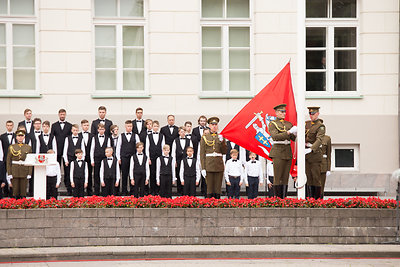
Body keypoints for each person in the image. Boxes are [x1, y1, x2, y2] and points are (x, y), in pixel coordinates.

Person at [268, 104, 297, 199]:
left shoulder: (288, 124)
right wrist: (288, 132)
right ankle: (277, 199)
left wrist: (296, 133)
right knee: (278, 177)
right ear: (276, 113)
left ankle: (284, 198)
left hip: (287, 152)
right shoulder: (273, 124)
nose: (284, 113)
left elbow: (293, 138)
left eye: (284, 111)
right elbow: (275, 137)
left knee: (285, 177)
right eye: (281, 112)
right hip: (278, 152)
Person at [200, 117, 227, 199]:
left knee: (218, 187)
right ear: (209, 126)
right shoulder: (205, 137)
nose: (214, 126)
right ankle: (209, 204)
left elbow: (224, 151)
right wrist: (203, 168)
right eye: (212, 125)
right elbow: (202, 154)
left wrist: (222, 142)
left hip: (218, 165)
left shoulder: (221, 137)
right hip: (209, 165)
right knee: (210, 187)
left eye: (216, 125)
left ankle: (217, 203)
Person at [305, 106, 326, 199]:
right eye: (310, 113)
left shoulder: (320, 126)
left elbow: (319, 139)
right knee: (308, 178)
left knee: (316, 178)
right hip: (306, 154)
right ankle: (310, 199)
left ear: (317, 114)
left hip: (315, 154)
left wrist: (311, 148)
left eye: (313, 114)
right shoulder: (306, 124)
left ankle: (317, 199)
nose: (311, 115)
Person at [51, 109, 72, 195]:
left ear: (65, 115)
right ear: (58, 115)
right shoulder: (54, 125)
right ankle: (56, 184)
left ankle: (68, 186)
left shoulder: (69, 125)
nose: (62, 116)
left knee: (67, 170)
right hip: (57, 151)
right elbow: (52, 138)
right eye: (61, 114)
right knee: (56, 168)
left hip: (67, 151)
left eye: (63, 114)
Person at [6, 129, 32, 199]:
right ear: (16, 137)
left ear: (24, 137)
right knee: (15, 190)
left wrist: (29, 173)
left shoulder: (28, 147)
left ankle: (23, 204)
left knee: (23, 190)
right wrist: (9, 173)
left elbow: (30, 161)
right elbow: (8, 161)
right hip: (15, 170)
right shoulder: (12, 147)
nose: (20, 137)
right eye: (19, 136)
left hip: (24, 170)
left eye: (22, 136)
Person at [116, 120, 140, 196]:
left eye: (131, 126)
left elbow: (138, 147)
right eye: (128, 126)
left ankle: (133, 191)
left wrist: (137, 157)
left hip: (133, 158)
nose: (130, 128)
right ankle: (124, 191)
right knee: (124, 174)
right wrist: (118, 158)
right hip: (124, 158)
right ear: (125, 127)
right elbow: (118, 147)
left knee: (132, 174)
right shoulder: (121, 136)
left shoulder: (136, 136)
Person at [90, 123, 112, 196]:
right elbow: (92, 149)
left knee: (105, 175)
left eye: (102, 129)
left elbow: (109, 149)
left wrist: (108, 158)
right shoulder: (94, 138)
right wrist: (92, 160)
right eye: (100, 129)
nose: (101, 130)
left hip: (105, 159)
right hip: (96, 159)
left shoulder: (108, 138)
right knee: (96, 175)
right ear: (98, 130)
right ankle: (96, 192)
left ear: (105, 130)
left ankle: (104, 192)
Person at [171, 126, 193, 196]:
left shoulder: (189, 140)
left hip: (186, 161)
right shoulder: (175, 140)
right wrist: (174, 161)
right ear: (179, 133)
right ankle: (179, 191)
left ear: (185, 132)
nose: (182, 133)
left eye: (183, 132)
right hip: (178, 160)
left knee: (185, 175)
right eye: (181, 132)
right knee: (178, 175)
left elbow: (191, 150)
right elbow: (173, 152)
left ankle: (185, 191)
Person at [145, 120, 165, 196]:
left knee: (159, 173)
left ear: (158, 127)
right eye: (154, 126)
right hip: (152, 158)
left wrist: (162, 157)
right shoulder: (148, 136)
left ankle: (158, 190)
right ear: (152, 127)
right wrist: (148, 158)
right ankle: (152, 190)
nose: (155, 127)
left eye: (157, 126)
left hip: (159, 157)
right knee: (152, 173)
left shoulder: (162, 136)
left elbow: (163, 147)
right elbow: (147, 148)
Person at [192, 116, 208, 198]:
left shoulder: (208, 129)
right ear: (199, 121)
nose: (202, 122)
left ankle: (204, 190)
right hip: (197, 152)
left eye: (204, 121)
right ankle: (197, 187)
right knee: (198, 170)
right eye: (201, 121)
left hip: (207, 153)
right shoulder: (195, 130)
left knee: (205, 173)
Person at [0, 121, 15, 197]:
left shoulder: (16, 136)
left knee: (12, 175)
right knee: (4, 175)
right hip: (5, 159)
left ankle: (12, 192)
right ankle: (5, 192)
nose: (9, 127)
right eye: (8, 125)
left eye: (11, 125)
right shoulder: (2, 136)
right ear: (6, 126)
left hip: (13, 159)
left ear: (13, 126)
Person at [79, 119, 94, 196]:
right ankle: (81, 191)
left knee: (89, 174)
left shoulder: (92, 136)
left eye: (87, 125)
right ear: (81, 126)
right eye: (84, 125)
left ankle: (89, 191)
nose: (86, 127)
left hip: (89, 158)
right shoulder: (78, 135)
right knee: (80, 174)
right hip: (80, 158)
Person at [320, 135, 332, 199]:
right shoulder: (311, 137)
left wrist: (328, 168)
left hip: (323, 165)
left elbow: (329, 154)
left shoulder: (327, 138)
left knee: (321, 185)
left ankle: (320, 199)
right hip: (312, 164)